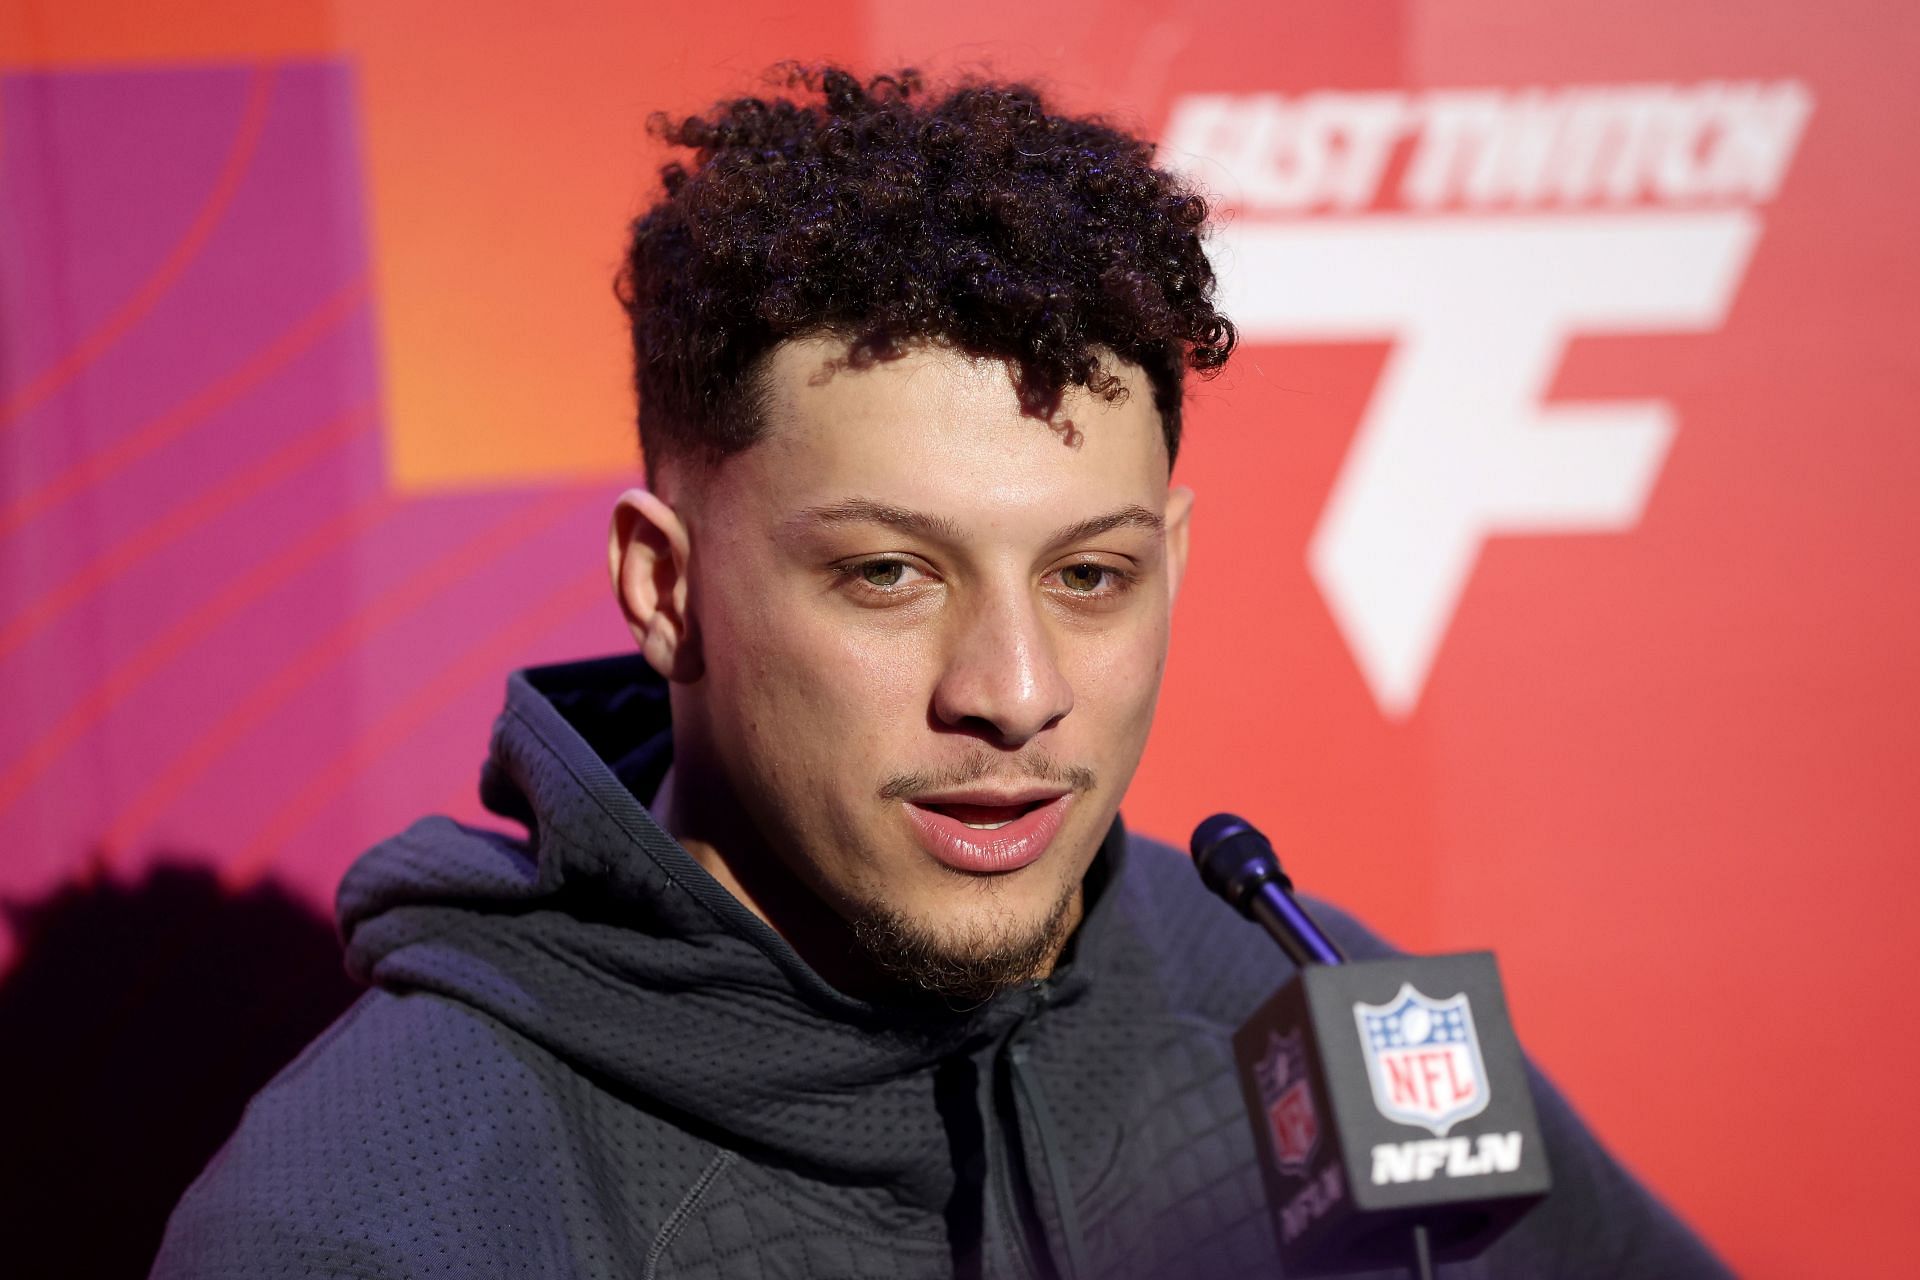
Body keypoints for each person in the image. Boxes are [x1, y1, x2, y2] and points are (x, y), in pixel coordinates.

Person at [152, 66, 1726, 1278]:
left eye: (1089, 576)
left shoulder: (1303, 1006)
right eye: (890, 574)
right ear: (665, 585)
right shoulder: (383, 1212)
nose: (1017, 690)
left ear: (1173, 562)